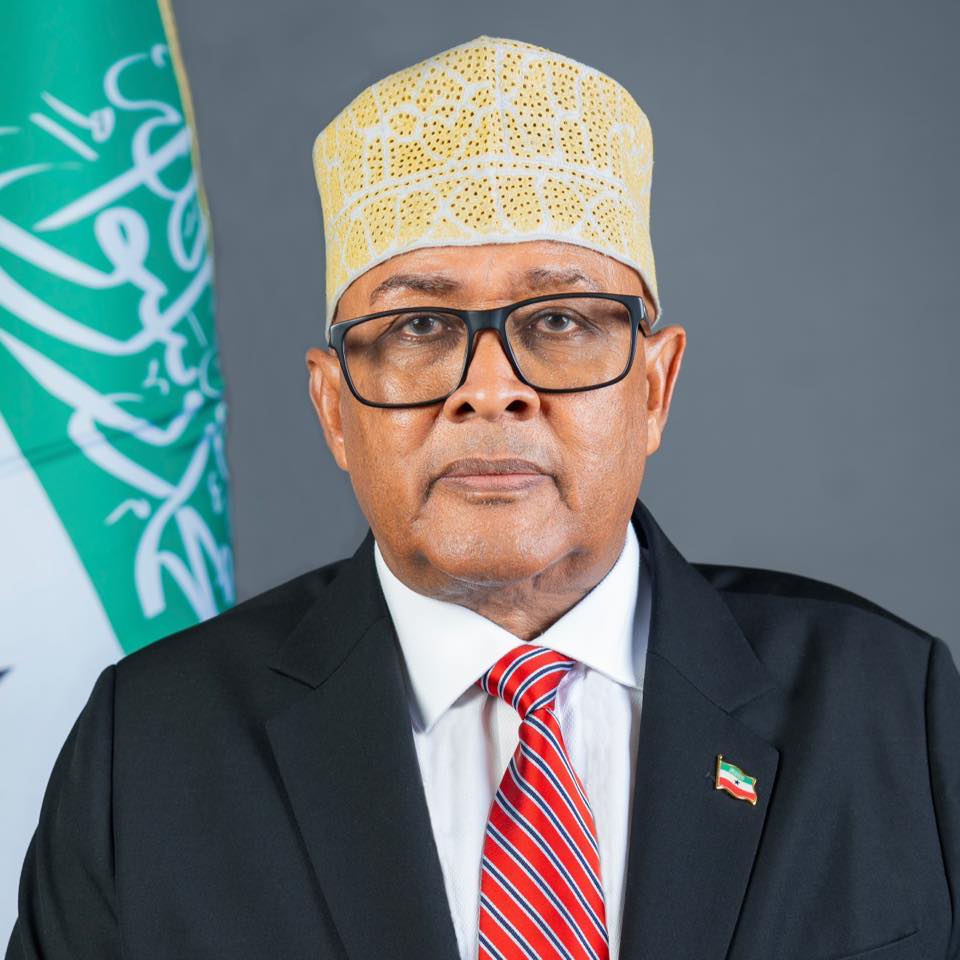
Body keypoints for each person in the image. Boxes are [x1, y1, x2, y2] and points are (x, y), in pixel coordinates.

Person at [6, 34, 959, 960]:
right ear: (334, 408)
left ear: (654, 388)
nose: (490, 387)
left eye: (562, 320)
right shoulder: (151, 748)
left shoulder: (892, 708)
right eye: (419, 325)